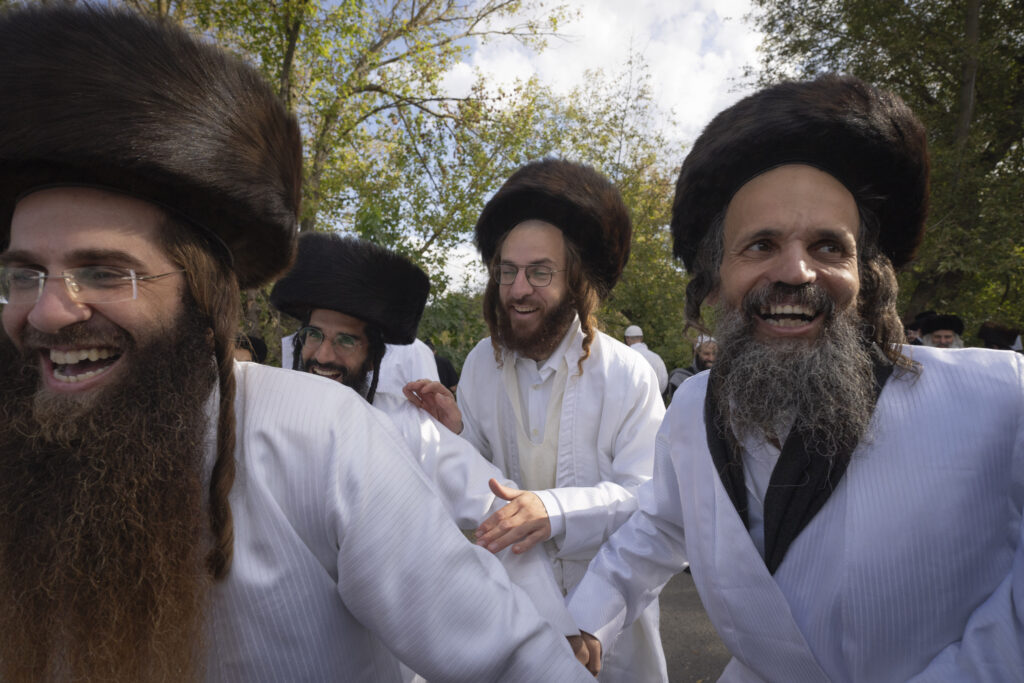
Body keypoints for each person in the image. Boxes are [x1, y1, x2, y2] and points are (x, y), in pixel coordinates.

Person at [0, 6, 593, 682]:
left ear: (201, 295)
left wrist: (568, 602)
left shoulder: (319, 435)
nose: (46, 311)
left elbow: (510, 649)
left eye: (103, 271)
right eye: (23, 274)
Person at [568, 74, 1024, 681]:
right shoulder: (695, 407)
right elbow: (661, 524)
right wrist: (587, 618)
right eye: (760, 245)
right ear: (715, 279)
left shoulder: (1001, 400)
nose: (795, 271)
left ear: (871, 276)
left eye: (829, 247)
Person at [268, 231, 585, 668]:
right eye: (314, 335)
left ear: (373, 357)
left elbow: (501, 506)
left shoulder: (410, 433)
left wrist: (556, 631)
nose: (323, 355)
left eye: (346, 340)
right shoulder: (260, 418)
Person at [407, 159, 668, 682]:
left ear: (575, 279)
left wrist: (553, 510)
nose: (518, 288)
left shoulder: (626, 374)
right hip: (511, 608)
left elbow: (656, 502)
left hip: (611, 622)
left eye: (539, 272)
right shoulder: (483, 362)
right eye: (507, 271)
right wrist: (459, 432)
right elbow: (486, 475)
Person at [665, 335, 718, 402]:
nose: (711, 358)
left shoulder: (721, 378)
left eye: (714, 354)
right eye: (706, 354)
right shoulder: (680, 377)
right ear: (695, 354)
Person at [624, 324, 668, 394]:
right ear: (641, 338)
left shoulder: (625, 357)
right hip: (654, 400)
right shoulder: (656, 357)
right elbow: (663, 381)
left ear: (627, 339)